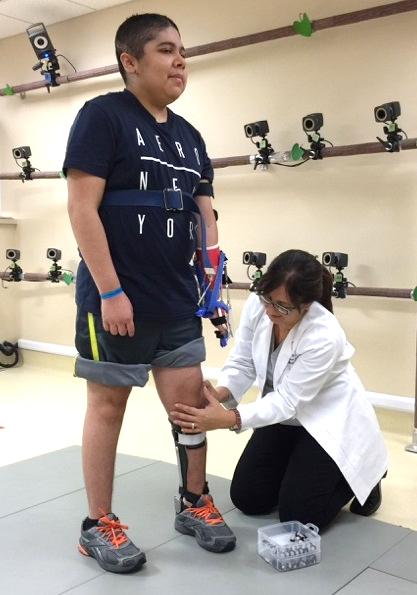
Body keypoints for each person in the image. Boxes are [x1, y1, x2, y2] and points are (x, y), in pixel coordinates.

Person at [64, 13, 236, 574]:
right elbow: (81, 207)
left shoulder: (189, 137)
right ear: (129, 62)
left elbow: (204, 215)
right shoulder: (101, 117)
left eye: (182, 50)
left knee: (191, 410)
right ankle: (98, 524)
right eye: (166, 50)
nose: (180, 60)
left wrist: (212, 286)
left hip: (178, 301)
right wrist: (111, 291)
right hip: (116, 303)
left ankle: (194, 502)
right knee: (107, 408)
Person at [170, 249, 389, 530]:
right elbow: (244, 361)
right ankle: (299, 470)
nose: (271, 310)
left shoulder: (324, 335)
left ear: (306, 304)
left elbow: (288, 400)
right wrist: (220, 393)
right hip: (283, 418)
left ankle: (368, 475)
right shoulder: (257, 305)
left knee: (299, 517)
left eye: (282, 306)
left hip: (326, 421)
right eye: (267, 299)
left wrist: (228, 419)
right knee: (248, 499)